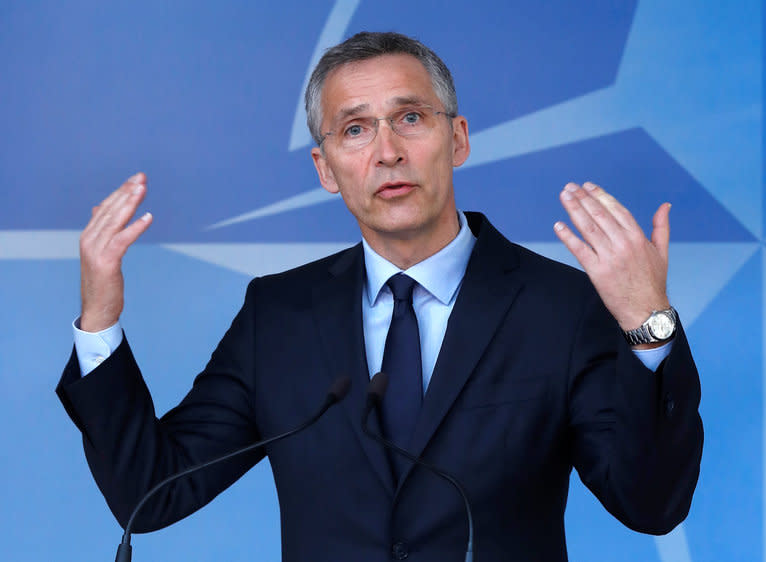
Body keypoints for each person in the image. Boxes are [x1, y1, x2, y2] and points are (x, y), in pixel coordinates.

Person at [57, 32, 702, 561]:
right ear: (325, 168)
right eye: (356, 130)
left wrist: (647, 326)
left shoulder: (560, 306)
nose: (388, 153)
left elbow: (650, 505)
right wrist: (100, 321)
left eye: (410, 118)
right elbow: (153, 489)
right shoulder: (277, 315)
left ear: (458, 139)